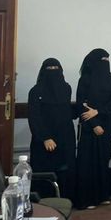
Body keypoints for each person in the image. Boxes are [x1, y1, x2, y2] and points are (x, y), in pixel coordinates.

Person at [27, 58, 76, 200]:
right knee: (44, 170)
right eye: (50, 69)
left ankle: (65, 199)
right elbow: (34, 117)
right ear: (43, 72)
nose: (53, 72)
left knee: (65, 169)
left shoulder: (66, 88)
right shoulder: (35, 91)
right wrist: (45, 137)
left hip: (65, 137)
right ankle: (43, 201)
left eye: (56, 68)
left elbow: (65, 111)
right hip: (44, 140)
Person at [75, 48, 111, 209]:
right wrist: (95, 124)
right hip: (89, 127)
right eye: (103, 60)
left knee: (103, 160)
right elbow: (81, 105)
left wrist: (98, 111)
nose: (106, 62)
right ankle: (87, 199)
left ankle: (102, 196)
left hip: (105, 125)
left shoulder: (110, 79)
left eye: (108, 59)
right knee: (88, 162)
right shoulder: (85, 79)